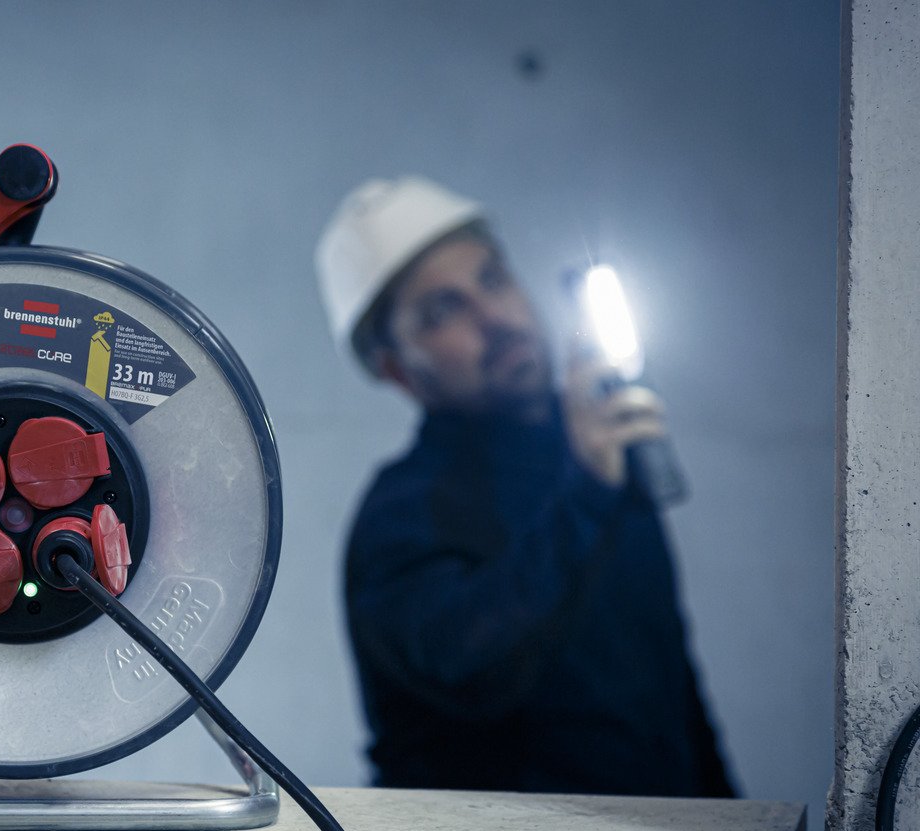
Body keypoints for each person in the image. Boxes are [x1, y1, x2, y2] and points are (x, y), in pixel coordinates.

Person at [315, 177, 734, 797]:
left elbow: (669, 689)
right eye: (443, 310)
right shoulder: (400, 516)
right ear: (398, 368)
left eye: (492, 279)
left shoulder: (599, 454)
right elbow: (476, 671)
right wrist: (587, 493)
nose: (495, 318)